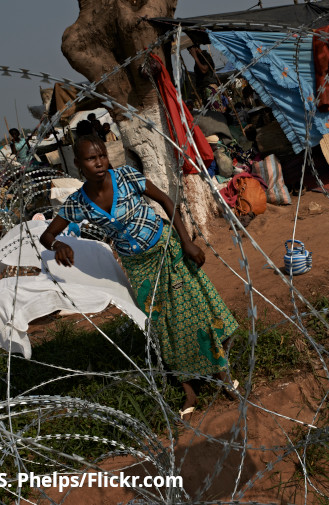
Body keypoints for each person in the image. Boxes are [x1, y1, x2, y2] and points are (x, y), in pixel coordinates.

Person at [39, 135, 239, 416]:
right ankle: (188, 387)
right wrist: (59, 245)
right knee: (164, 326)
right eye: (91, 158)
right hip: (138, 267)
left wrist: (186, 241)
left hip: (165, 250)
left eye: (102, 156)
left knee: (197, 310)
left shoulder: (125, 176)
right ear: (77, 164)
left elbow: (166, 201)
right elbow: (47, 235)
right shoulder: (78, 203)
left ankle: (222, 376)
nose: (99, 163)